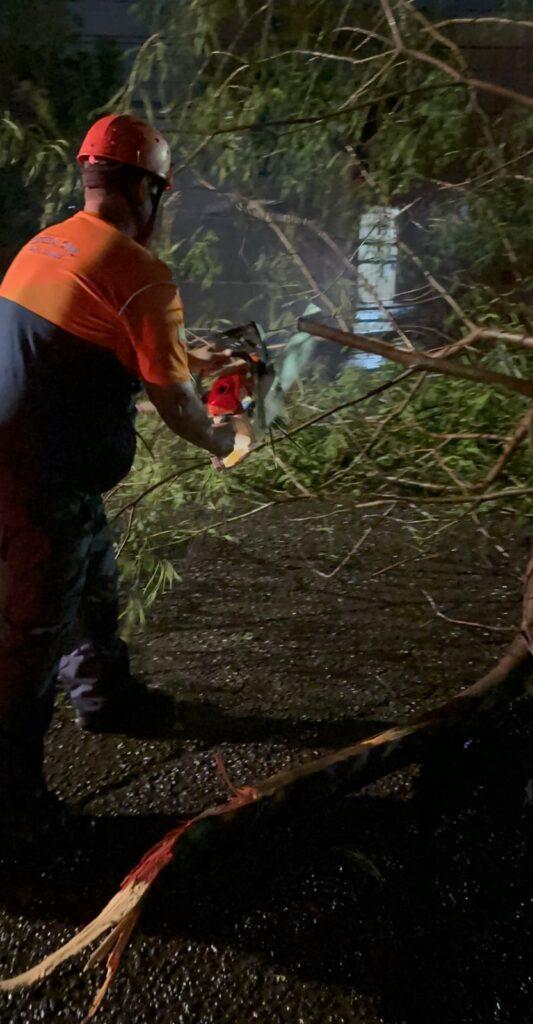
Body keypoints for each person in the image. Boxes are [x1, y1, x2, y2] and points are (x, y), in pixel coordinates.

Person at [0, 113, 250, 829]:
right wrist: (226, 438)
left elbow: (101, 333)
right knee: (30, 638)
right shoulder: (141, 273)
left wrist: (193, 355)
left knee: (94, 584)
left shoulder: (47, 245)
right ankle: (14, 807)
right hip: (37, 480)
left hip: (38, 467)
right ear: (149, 191)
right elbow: (177, 406)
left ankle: (106, 698)